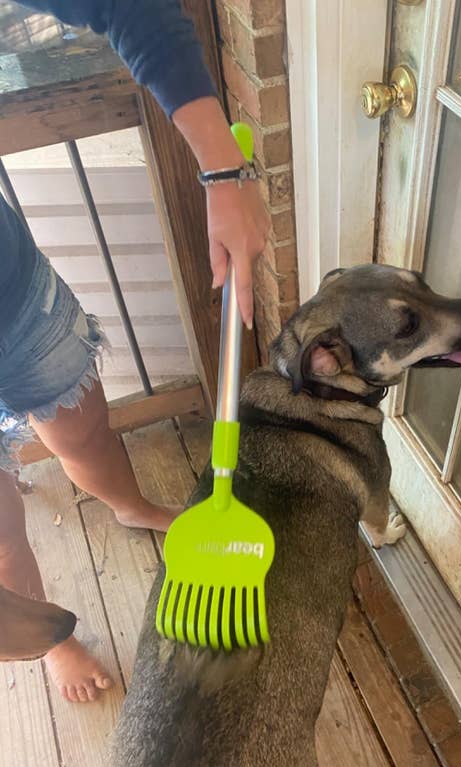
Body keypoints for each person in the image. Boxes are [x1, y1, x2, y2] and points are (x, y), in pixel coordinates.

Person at [0, 0, 270, 702]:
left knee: (84, 433)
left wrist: (222, 169)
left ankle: (129, 505)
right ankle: (55, 639)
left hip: (11, 299)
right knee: (1, 548)